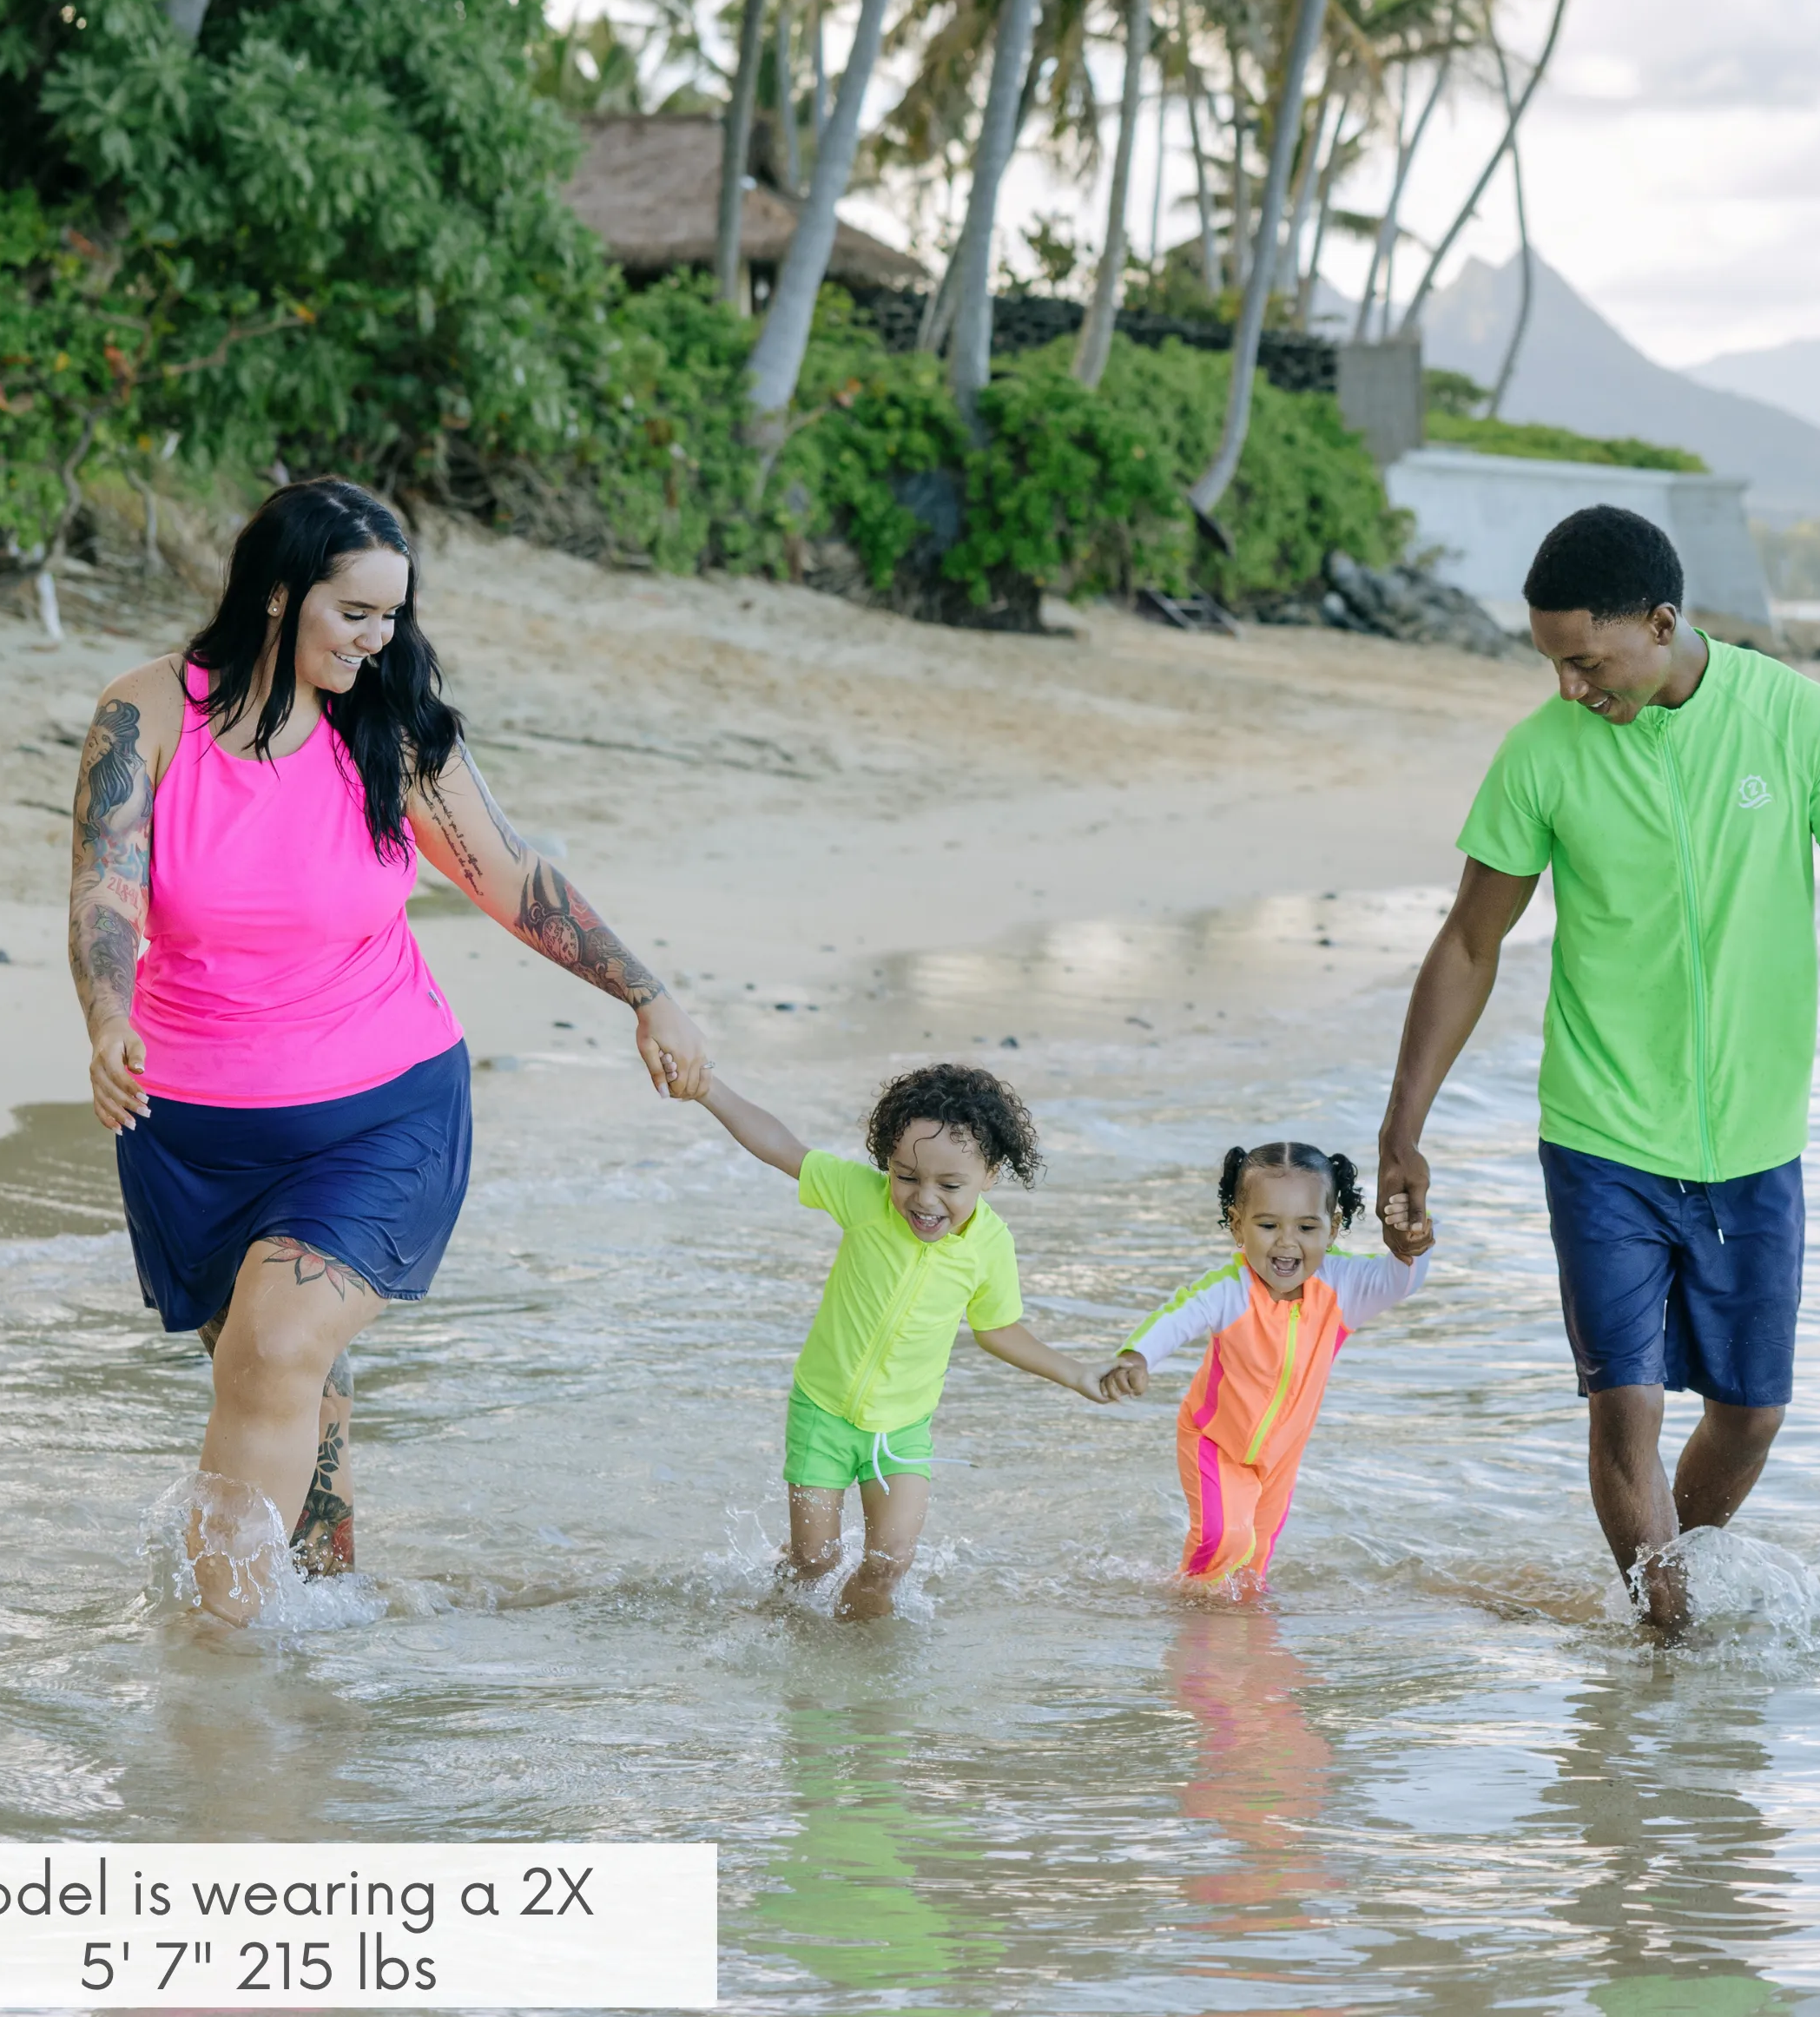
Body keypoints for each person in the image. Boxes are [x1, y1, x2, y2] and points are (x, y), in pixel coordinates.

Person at [66, 477, 708, 1625]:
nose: (381, 638)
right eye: (356, 612)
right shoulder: (147, 715)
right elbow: (105, 894)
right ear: (276, 596)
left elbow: (512, 879)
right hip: (196, 1129)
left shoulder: (390, 732)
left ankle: (227, 1653)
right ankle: (332, 1610)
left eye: (392, 616)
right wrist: (108, 1019)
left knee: (270, 1352)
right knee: (281, 1374)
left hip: (382, 1109)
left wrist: (645, 991)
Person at [1375, 504, 1820, 1630]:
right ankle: (1667, 1638)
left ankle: (1676, 1590)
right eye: (1554, 663)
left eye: (1589, 660)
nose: (1572, 687)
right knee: (1625, 1409)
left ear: (1660, 625)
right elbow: (1470, 941)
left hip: (1757, 1139)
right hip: (1601, 1132)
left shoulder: (1798, 722)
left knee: (1751, 1413)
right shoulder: (1544, 754)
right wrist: (1402, 1125)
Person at [678, 1059, 1106, 1620]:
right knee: (815, 1560)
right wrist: (709, 1089)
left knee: (889, 1562)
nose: (925, 1199)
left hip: (902, 1429)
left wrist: (1076, 1373)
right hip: (824, 1413)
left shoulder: (991, 1246)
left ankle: (858, 1664)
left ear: (991, 1175)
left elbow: (998, 1328)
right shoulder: (863, 1198)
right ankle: (770, 1611)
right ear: (887, 1165)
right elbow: (780, 1145)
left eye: (950, 1185)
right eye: (907, 1176)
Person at [1099, 1143, 1433, 1591]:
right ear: (1239, 1226)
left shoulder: (1342, 1288)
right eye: (1268, 1224)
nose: (1286, 1242)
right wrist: (1137, 1357)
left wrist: (1413, 1242)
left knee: (1255, 1559)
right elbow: (1180, 1315)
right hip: (1215, 1443)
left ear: (1332, 1229)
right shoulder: (1231, 1288)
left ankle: (1243, 1644)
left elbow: (1401, 1280)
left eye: (1307, 1226)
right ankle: (1188, 1612)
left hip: (1281, 1458)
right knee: (1223, 1540)